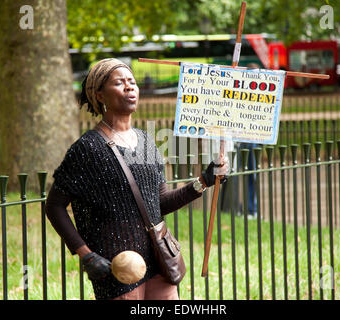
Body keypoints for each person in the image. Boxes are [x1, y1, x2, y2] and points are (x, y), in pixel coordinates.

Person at [45, 58, 229, 300]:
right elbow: (54, 206)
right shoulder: (87, 148)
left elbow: (159, 203)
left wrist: (203, 181)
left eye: (132, 81)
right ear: (100, 96)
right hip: (118, 270)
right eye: (119, 83)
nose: (129, 87)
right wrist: (86, 255)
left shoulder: (146, 141)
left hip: (158, 262)